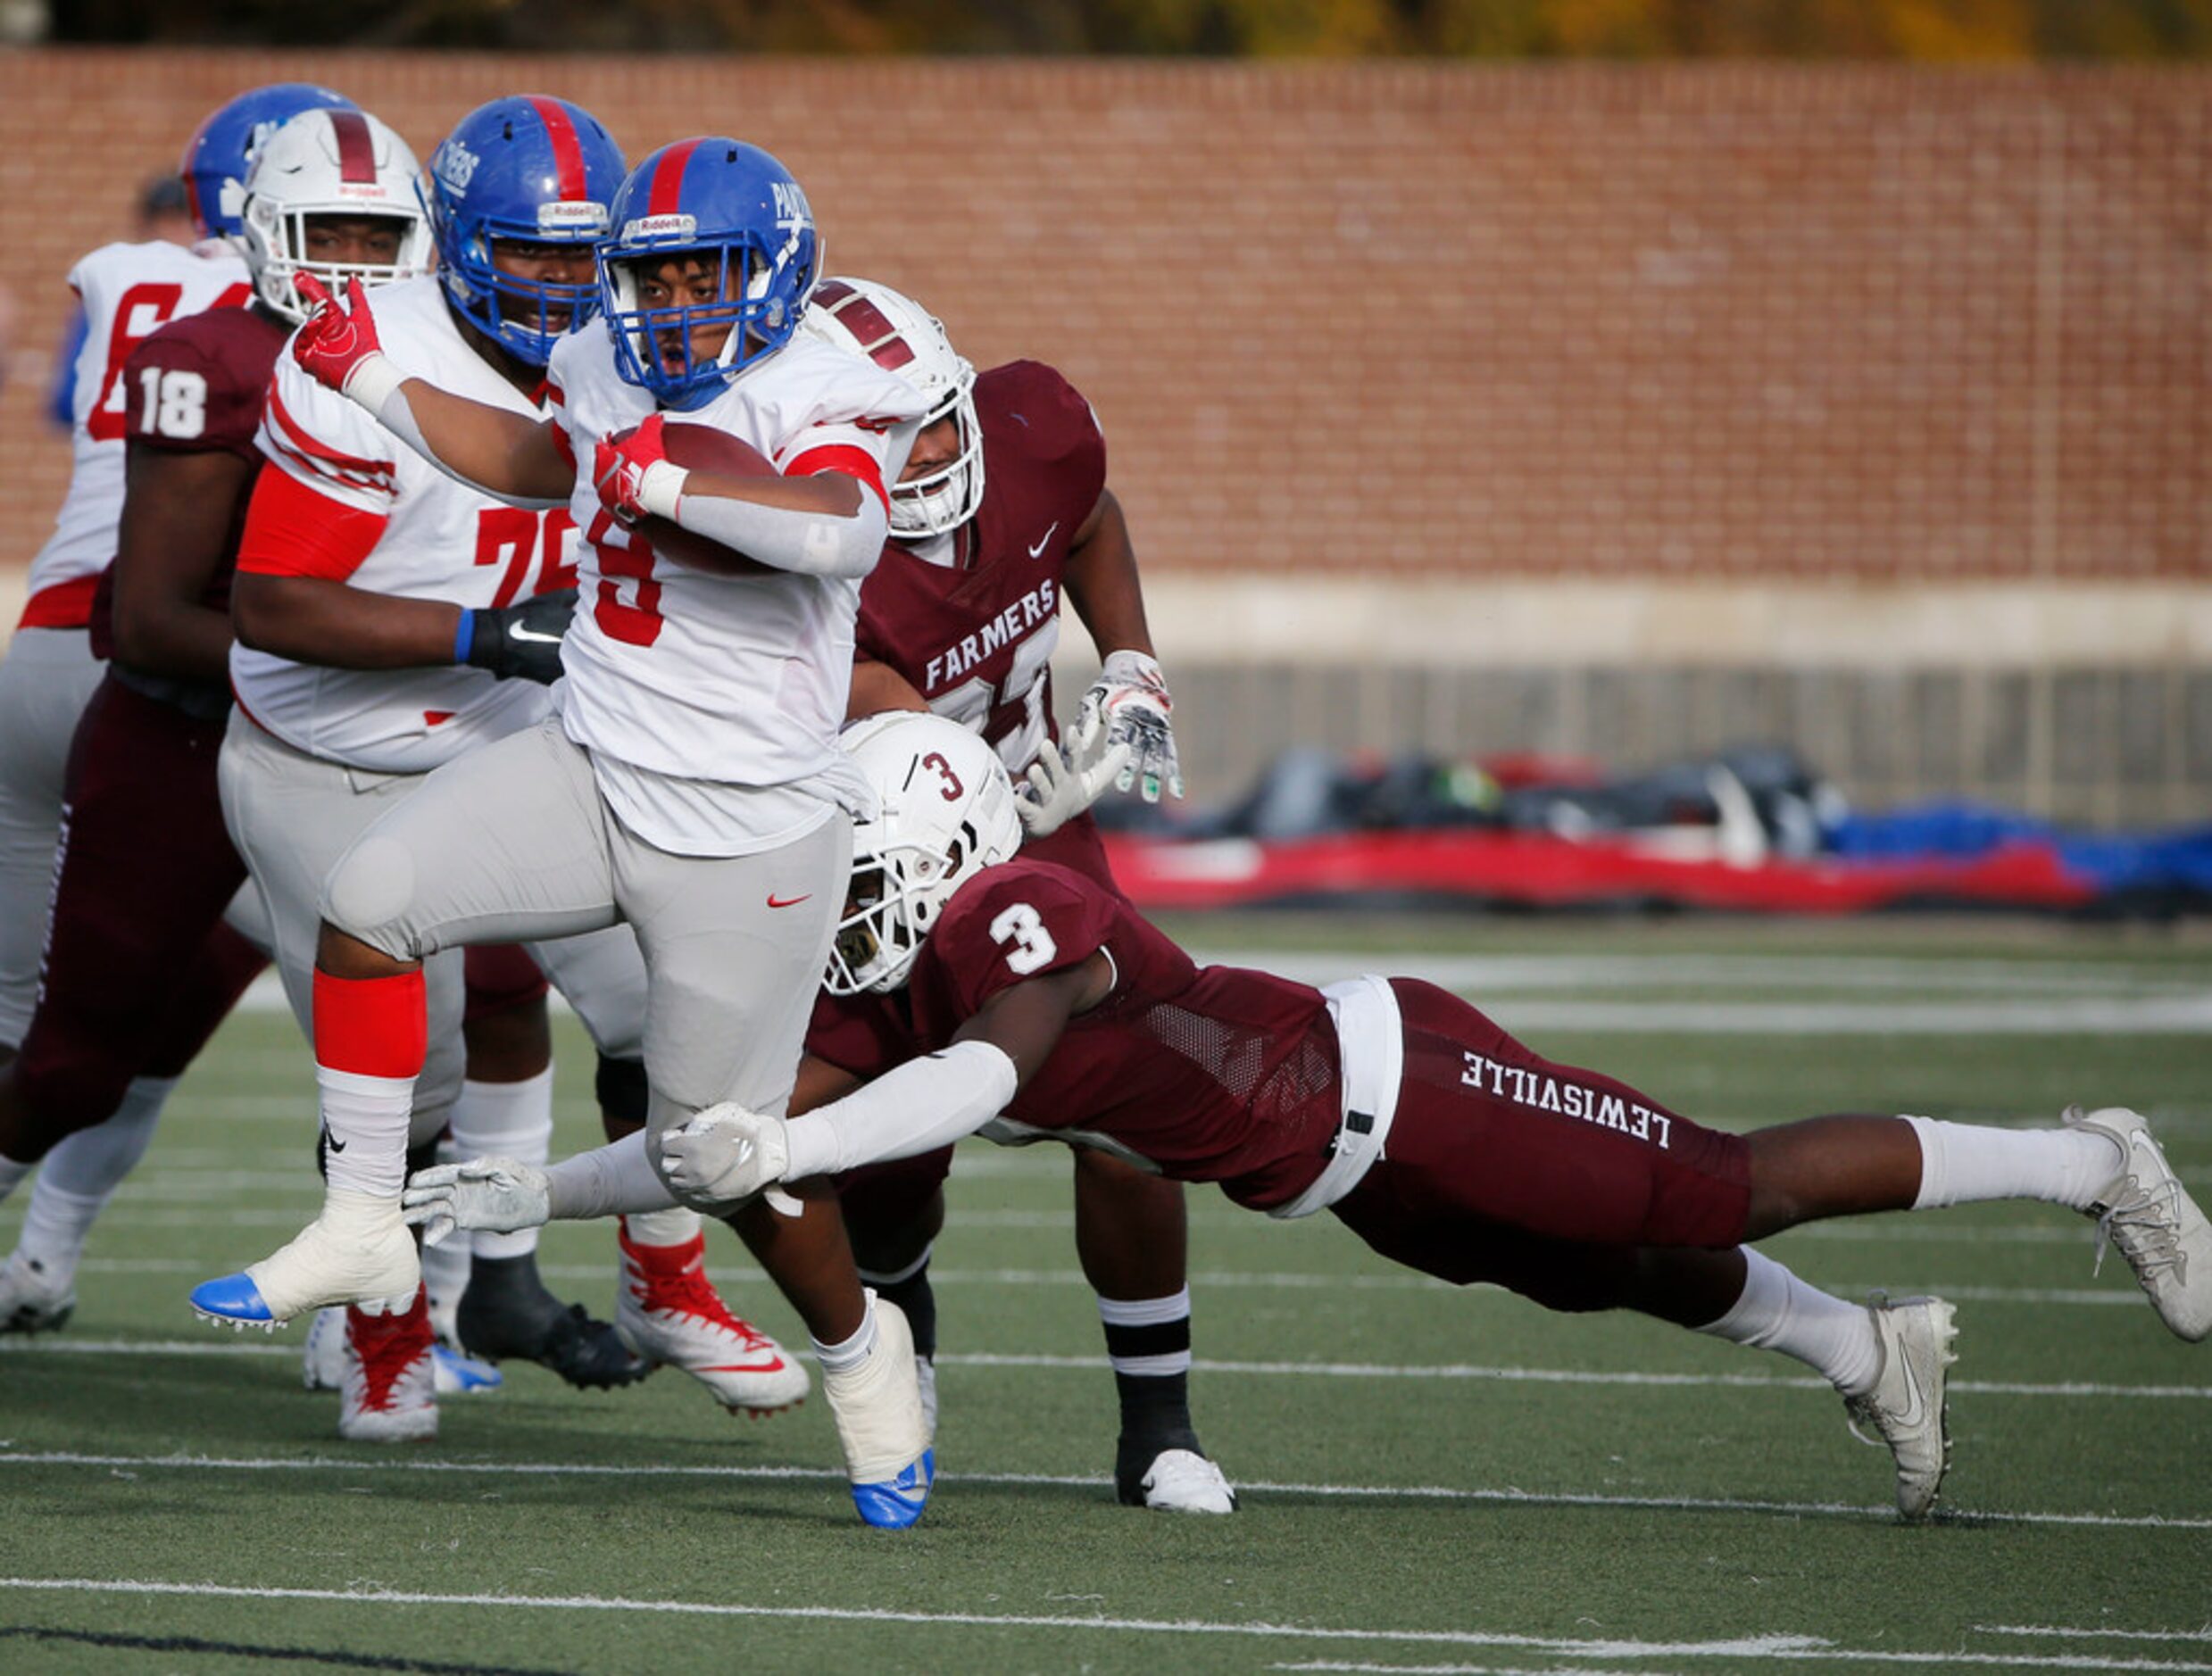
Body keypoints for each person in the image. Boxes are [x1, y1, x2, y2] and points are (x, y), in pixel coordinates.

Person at [414, 713, 2212, 1521]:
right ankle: (1868, 1354)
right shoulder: (901, 966)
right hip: (1338, 1172)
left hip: (1395, 1077)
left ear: (948, 848)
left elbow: (986, 1078)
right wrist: (510, 1189)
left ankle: (2094, 1161)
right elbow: (696, 1144)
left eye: (870, 859)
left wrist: (795, 1149)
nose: (849, 892)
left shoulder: (1023, 920)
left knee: (1719, 1183)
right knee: (1620, 1270)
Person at [190, 137, 936, 1526]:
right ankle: (364, 1223)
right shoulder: (605, 358)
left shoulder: (822, 375)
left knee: (718, 1159)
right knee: (371, 898)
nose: (668, 305)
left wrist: (665, 483)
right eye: (645, 275)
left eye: (700, 275)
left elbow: (839, 526)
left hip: (744, 829)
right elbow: (539, 460)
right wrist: (371, 376)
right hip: (584, 765)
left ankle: (858, 1351)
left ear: (768, 269)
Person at [794, 278, 1227, 1513]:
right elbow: (887, 730)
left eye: (938, 415)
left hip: (1043, 838)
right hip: (877, 862)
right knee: (879, 1140)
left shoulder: (1030, 427)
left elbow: (1086, 516)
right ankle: (903, 1328)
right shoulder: (810, 559)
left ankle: (1159, 1425)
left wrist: (1131, 662)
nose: (932, 450)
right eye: (893, 432)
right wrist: (988, 788)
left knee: (1137, 1112)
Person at [0, 87, 359, 1328]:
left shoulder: (126, 274)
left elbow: (78, 394)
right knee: (362, 1012)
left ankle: (43, 1259)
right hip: (185, 678)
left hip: (58, 656)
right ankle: (399, 1322)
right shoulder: (262, 345)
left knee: (58, 1022)